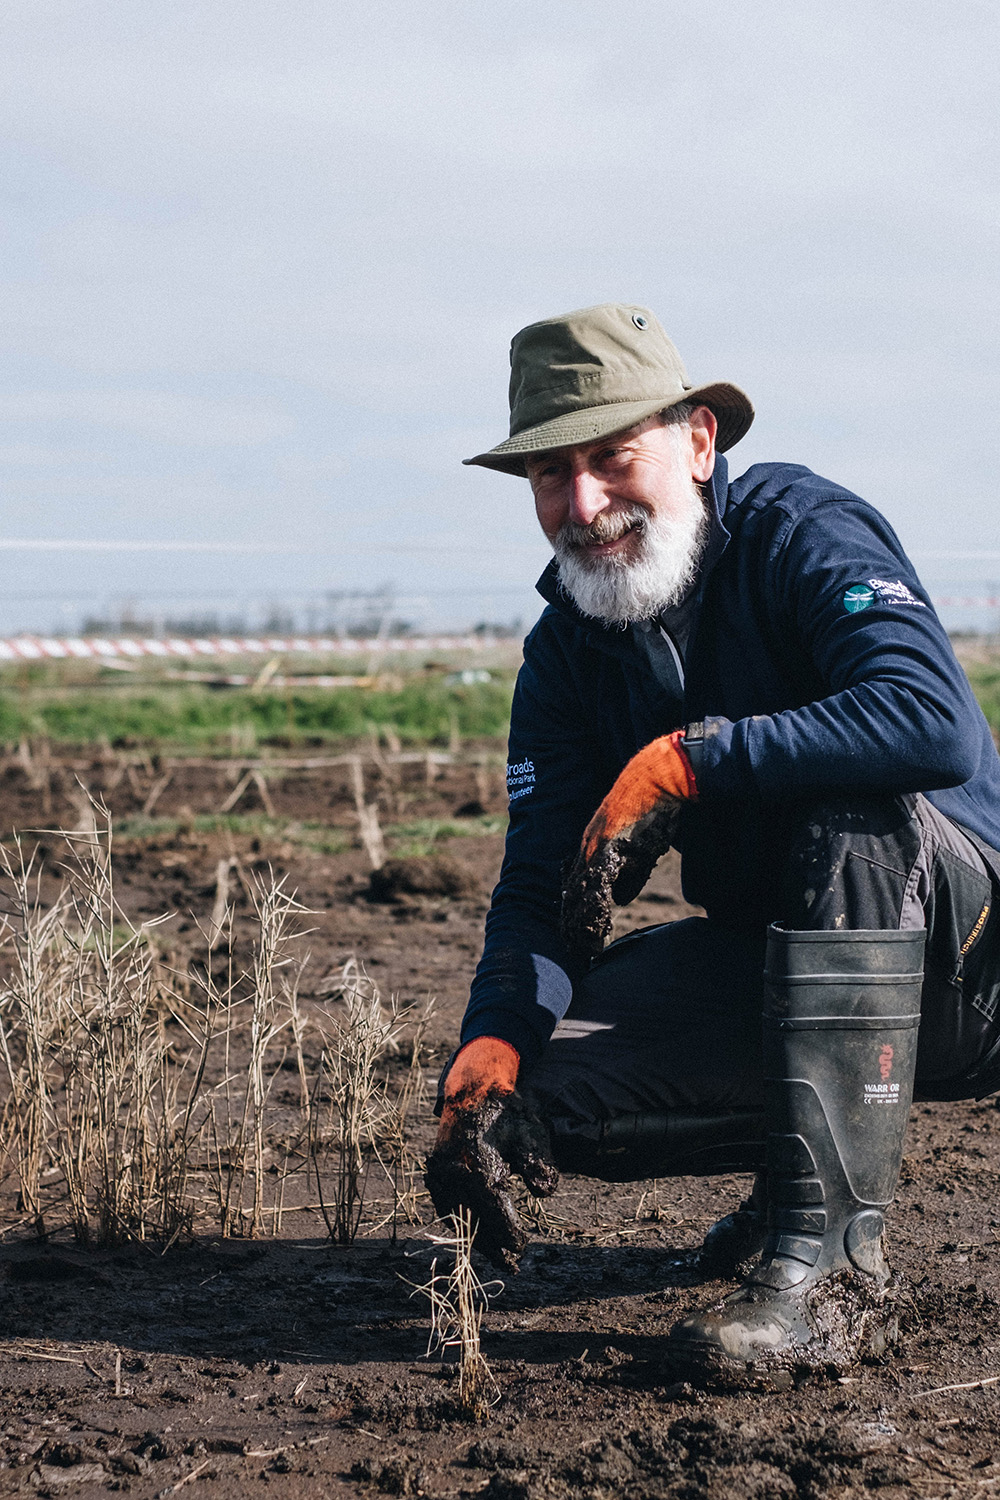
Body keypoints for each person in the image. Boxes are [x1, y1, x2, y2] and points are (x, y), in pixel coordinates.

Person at [425, 303, 1000, 1381]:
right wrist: (491, 1043)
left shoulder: (798, 531)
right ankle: (801, 1183)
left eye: (611, 457)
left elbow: (930, 718)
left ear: (697, 442)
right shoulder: (565, 653)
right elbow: (541, 881)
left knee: (851, 813)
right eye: (553, 475)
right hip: (786, 970)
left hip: (968, 966)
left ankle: (827, 1272)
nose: (584, 505)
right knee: (538, 1100)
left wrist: (688, 760)